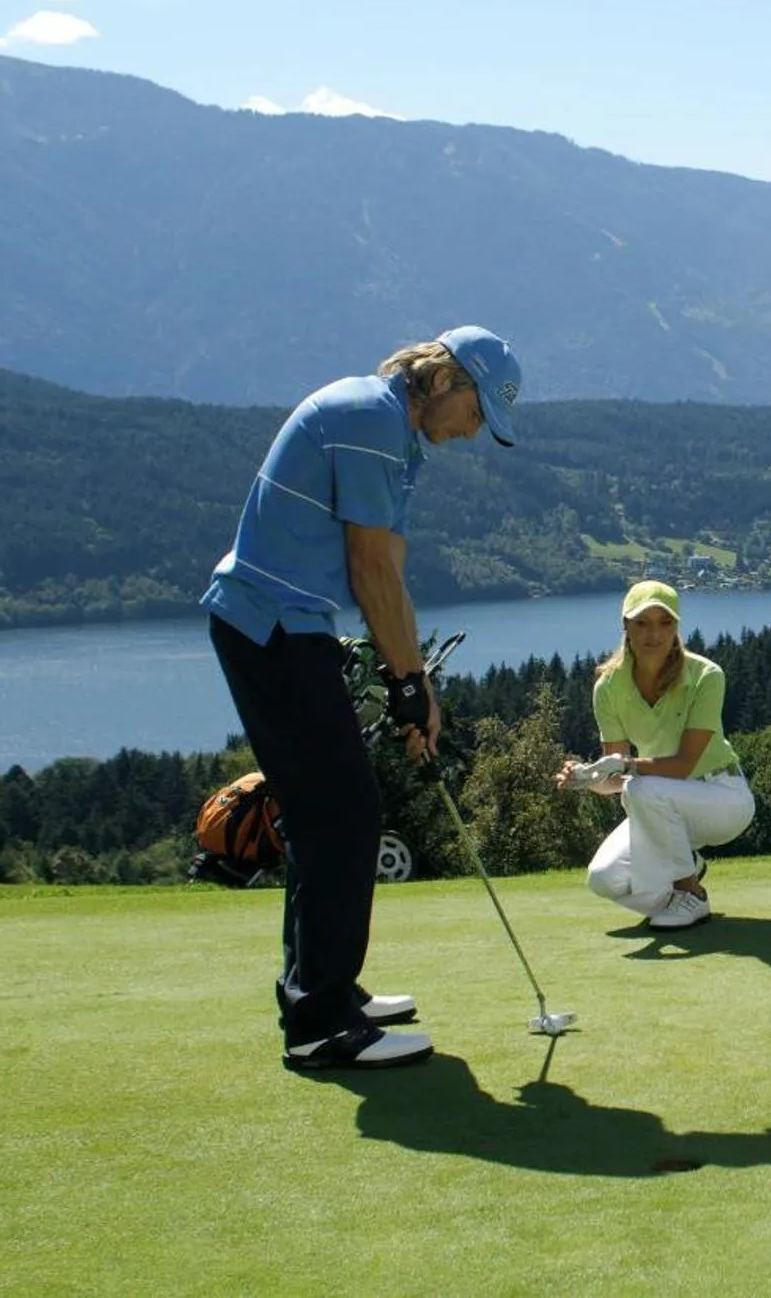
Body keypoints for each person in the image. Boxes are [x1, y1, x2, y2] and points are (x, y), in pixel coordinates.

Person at [203, 326, 523, 1069]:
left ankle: (321, 991)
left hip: (287, 628)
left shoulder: (398, 440)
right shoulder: (369, 419)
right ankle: (321, 1023)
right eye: (478, 411)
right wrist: (404, 680)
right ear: (445, 379)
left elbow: (391, 577)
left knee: (327, 815)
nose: (474, 432)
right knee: (339, 814)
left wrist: (416, 686)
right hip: (270, 627)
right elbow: (368, 569)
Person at [558, 580, 754, 928]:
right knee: (603, 879)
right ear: (626, 626)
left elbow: (683, 765)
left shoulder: (706, 675)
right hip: (659, 808)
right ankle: (684, 873)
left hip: (723, 799)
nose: (654, 634)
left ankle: (689, 892)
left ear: (676, 627)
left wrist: (625, 765)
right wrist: (588, 778)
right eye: (642, 623)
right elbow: (616, 781)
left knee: (642, 788)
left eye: (665, 623)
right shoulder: (608, 687)